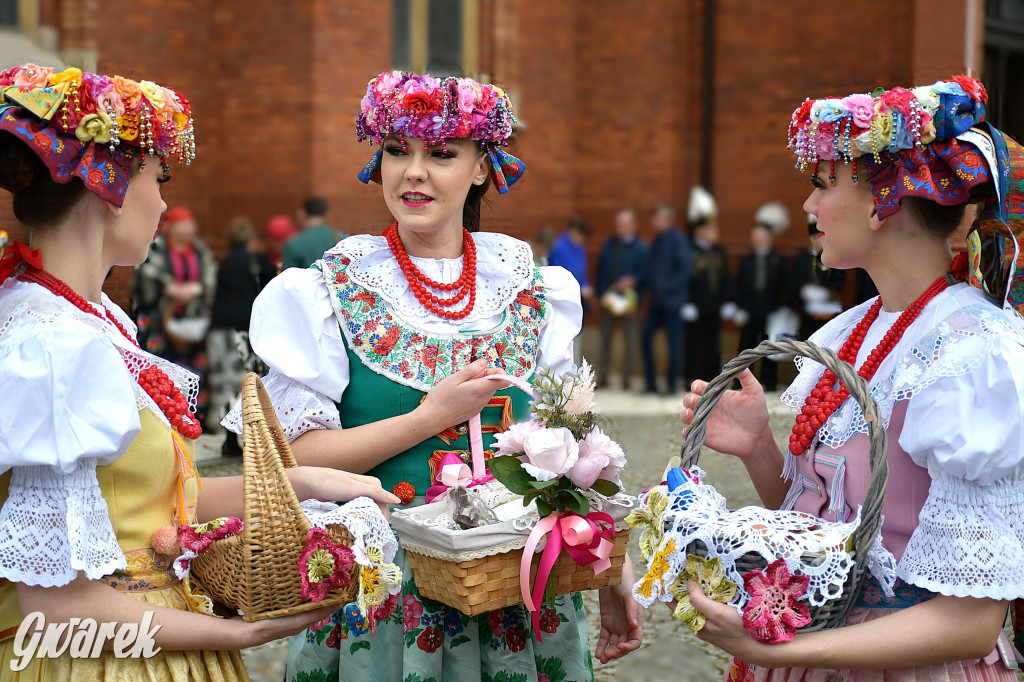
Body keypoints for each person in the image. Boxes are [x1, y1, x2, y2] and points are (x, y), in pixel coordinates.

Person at [224, 71, 641, 682]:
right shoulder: (328, 292)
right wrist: (426, 419)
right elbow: (298, 460)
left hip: (519, 584)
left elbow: (571, 457)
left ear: (481, 168)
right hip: (387, 589)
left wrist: (611, 569)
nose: (413, 172)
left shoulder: (531, 287)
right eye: (398, 151)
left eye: (441, 154)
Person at [0, 63, 399, 679]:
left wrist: (307, 485)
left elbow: (152, 506)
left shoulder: (86, 321)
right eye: (158, 178)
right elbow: (58, 604)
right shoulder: (51, 346)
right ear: (110, 185)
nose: (163, 200)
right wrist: (240, 632)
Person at [679, 76, 1024, 680]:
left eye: (823, 183)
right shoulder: (848, 332)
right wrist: (760, 450)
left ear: (883, 199)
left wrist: (783, 650)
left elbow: (973, 619)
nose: (809, 206)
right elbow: (835, 538)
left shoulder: (972, 353)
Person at [133, 204, 217, 426]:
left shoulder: (198, 250)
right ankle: (161, 416)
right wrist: (168, 289)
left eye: (190, 225)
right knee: (162, 366)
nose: (187, 230)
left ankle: (194, 415)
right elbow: (144, 278)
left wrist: (196, 290)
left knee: (196, 367)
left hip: (193, 321)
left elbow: (210, 279)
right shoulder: (156, 249)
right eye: (182, 225)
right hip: (159, 321)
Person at [207, 216, 277, 455]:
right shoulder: (259, 263)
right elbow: (271, 291)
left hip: (221, 329)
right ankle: (253, 438)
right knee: (253, 382)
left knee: (228, 383)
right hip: (248, 331)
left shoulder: (223, 264)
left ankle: (229, 439)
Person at [733, 202, 789, 391]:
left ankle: (769, 381)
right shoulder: (746, 261)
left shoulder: (778, 261)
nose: (757, 240)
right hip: (749, 310)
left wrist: (783, 309)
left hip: (770, 310)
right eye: (754, 237)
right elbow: (739, 286)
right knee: (746, 347)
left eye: (761, 237)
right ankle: (740, 380)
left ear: (769, 239)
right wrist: (738, 307)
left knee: (768, 347)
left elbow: (784, 287)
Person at [641, 202, 694, 395]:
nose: (654, 221)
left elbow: (686, 270)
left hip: (672, 302)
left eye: (657, 218)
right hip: (656, 302)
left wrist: (667, 286)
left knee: (674, 344)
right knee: (646, 337)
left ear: (666, 220)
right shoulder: (657, 240)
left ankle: (672, 385)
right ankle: (651, 383)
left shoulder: (678, 240)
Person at [683, 186, 734, 383]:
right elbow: (685, 277)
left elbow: (725, 278)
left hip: (714, 305)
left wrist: (728, 300)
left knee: (713, 344)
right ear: (699, 230)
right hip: (695, 305)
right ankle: (690, 378)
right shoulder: (689, 250)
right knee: (693, 344)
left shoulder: (718, 251)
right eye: (710, 228)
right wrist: (686, 302)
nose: (714, 232)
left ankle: (712, 378)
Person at [595, 208, 648, 389]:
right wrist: (600, 293)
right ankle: (603, 375)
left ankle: (627, 377)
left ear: (634, 225)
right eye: (618, 224)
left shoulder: (641, 248)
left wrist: (634, 281)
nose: (620, 227)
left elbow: (646, 275)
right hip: (608, 298)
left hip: (630, 301)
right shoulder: (610, 244)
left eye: (624, 224)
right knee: (605, 338)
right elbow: (601, 270)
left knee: (630, 339)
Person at [789, 214, 846, 340]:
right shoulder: (801, 259)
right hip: (806, 309)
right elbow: (792, 282)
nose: (817, 240)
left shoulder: (832, 257)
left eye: (820, 237)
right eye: (815, 237)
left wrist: (826, 292)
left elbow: (840, 280)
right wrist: (804, 292)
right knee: (806, 340)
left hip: (828, 309)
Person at [549, 216, 595, 365]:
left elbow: (582, 271)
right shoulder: (559, 247)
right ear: (574, 231)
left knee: (577, 334)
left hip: (579, 297)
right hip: (564, 298)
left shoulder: (579, 248)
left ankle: (575, 369)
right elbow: (560, 273)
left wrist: (586, 285)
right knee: (565, 337)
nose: (582, 239)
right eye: (581, 235)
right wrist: (581, 288)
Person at [281, 196, 339, 270]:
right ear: (328, 215)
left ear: (301, 214)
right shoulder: (341, 240)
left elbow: (286, 278)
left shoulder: (294, 244)